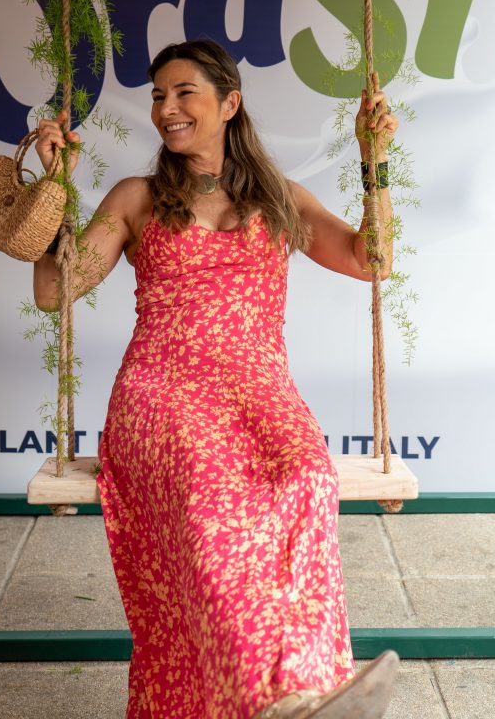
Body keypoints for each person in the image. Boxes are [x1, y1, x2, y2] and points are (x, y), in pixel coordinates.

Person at [34, 39, 400, 719]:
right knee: (211, 506)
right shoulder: (137, 197)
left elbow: (368, 260)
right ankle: (283, 700)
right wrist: (54, 190)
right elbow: (59, 291)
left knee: (307, 479)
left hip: (258, 389)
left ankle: (303, 687)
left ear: (229, 104)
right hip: (164, 392)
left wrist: (374, 163)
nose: (166, 109)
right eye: (157, 96)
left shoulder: (280, 199)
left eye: (183, 93)